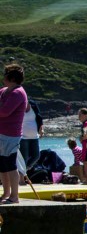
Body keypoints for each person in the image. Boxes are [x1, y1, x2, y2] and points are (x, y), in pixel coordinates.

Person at [0, 64, 28, 204]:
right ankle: (6, 193)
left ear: (11, 78)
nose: (2, 77)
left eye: (5, 75)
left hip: (11, 134)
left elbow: (4, 112)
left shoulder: (18, 93)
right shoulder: (4, 90)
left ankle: (14, 196)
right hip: (1, 133)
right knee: (2, 165)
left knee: (10, 164)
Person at [20, 99, 43, 170]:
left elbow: (39, 118)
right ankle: (21, 174)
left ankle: (24, 170)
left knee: (36, 156)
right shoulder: (18, 108)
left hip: (34, 136)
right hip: (23, 137)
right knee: (24, 157)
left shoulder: (33, 105)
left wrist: (41, 129)